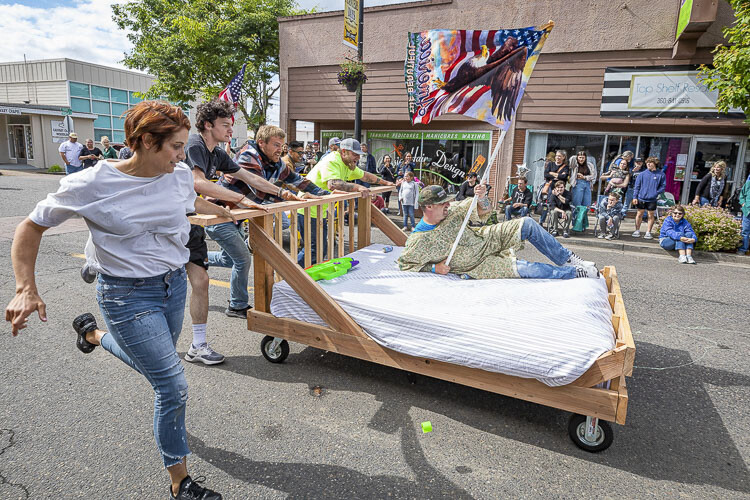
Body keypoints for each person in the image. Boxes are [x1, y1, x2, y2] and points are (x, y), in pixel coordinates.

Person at [5, 101, 227, 499]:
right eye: (176, 147)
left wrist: (234, 209)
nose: (182, 155)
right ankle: (181, 482)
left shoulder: (176, 176)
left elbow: (188, 202)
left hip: (172, 286)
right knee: (172, 385)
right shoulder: (92, 183)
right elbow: (31, 226)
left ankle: (91, 336)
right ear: (144, 140)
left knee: (161, 369)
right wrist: (25, 288)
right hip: (126, 295)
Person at [185, 100, 291, 331]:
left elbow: (250, 178)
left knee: (223, 263)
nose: (231, 130)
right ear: (207, 125)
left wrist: (283, 192)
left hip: (193, 215)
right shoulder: (195, 144)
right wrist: (241, 199)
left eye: (231, 125)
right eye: (225, 125)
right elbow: (198, 182)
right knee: (239, 259)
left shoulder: (218, 154)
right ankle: (236, 305)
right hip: (174, 216)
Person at [397, 184, 599, 280]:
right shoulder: (418, 240)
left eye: (448, 201)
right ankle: (575, 273)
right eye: (443, 203)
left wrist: (482, 196)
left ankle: (567, 259)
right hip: (477, 265)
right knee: (527, 269)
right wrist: (434, 269)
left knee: (527, 223)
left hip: (485, 239)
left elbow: (483, 209)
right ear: (429, 207)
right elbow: (405, 265)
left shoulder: (453, 211)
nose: (449, 204)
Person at [298, 138, 395, 266]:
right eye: (355, 154)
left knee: (321, 248)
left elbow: (365, 176)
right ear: (344, 152)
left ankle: (301, 275)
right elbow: (333, 184)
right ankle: (292, 276)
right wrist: (358, 187)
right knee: (314, 249)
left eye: (359, 155)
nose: (358, 158)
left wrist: (385, 182)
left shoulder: (348, 164)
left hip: (319, 211)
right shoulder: (332, 161)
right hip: (307, 208)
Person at [219, 126, 326, 231]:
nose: (280, 150)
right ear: (261, 143)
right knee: (240, 249)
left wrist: (322, 193)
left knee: (241, 247)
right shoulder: (248, 156)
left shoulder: (276, 161)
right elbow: (258, 190)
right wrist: (290, 196)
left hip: (236, 215)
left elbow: (296, 179)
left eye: (281, 145)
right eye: (276, 145)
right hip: (219, 213)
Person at [632, 156, 666, 240]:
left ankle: (648, 232)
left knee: (650, 215)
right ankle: (637, 230)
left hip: (652, 199)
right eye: (647, 163)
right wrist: (635, 197)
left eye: (650, 163)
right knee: (639, 214)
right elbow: (637, 186)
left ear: (655, 164)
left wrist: (656, 193)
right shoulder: (642, 174)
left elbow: (663, 186)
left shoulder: (661, 174)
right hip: (641, 197)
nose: (648, 164)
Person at [539, 150, 569, 224]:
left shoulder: (566, 167)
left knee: (559, 204)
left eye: (559, 156)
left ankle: (553, 224)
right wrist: (558, 176)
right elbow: (546, 175)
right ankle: (542, 221)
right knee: (548, 205)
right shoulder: (550, 164)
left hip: (560, 189)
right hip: (550, 187)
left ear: (563, 157)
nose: (557, 157)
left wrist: (552, 173)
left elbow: (564, 176)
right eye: (556, 156)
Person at [737, 175, 750, 255]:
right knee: (745, 231)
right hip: (747, 211)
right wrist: (743, 204)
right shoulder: (748, 183)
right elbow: (741, 196)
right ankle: (743, 249)